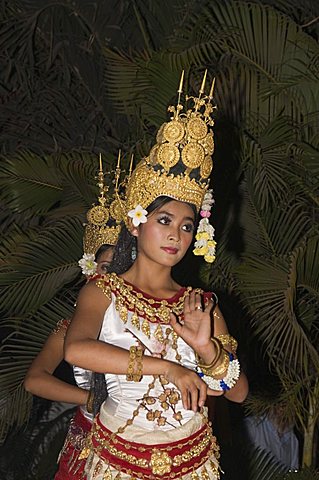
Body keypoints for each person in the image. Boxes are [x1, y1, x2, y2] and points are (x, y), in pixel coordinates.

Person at [64, 73, 249, 480]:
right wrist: (167, 368)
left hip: (194, 463)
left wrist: (206, 351)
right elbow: (76, 350)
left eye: (186, 226)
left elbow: (236, 392)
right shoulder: (104, 291)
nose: (175, 234)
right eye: (164, 219)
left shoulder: (200, 303)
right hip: (120, 462)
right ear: (135, 223)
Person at [24, 160, 122, 479]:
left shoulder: (152, 319)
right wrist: (89, 397)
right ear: (92, 270)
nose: (114, 277)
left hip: (144, 441)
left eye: (122, 267)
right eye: (107, 268)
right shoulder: (73, 326)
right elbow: (34, 379)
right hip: (90, 441)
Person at [243, 403, 299, 471]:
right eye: (280, 405)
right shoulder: (252, 427)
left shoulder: (293, 440)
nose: (282, 411)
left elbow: (294, 474)